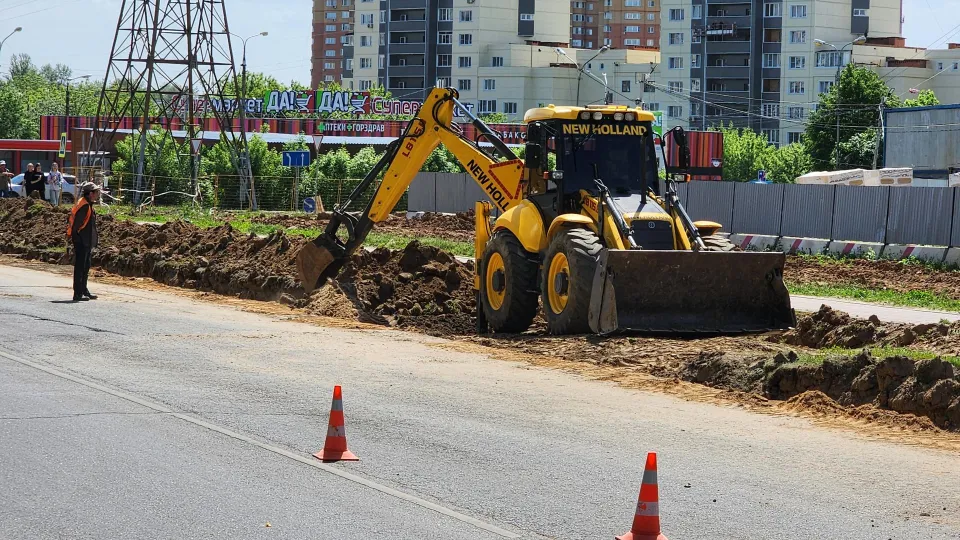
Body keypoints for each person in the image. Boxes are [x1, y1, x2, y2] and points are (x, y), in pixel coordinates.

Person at [67, 182, 100, 302]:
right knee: (80, 267)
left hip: (85, 241)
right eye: (96, 192)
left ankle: (83, 290)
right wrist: (79, 240)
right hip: (82, 241)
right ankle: (77, 293)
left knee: (85, 266)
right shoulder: (85, 206)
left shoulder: (87, 204)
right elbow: (76, 226)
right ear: (90, 194)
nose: (97, 194)